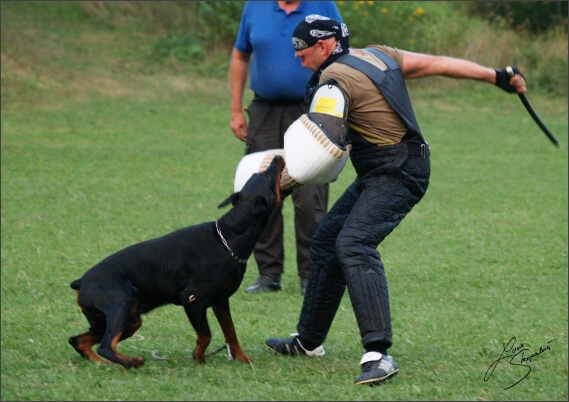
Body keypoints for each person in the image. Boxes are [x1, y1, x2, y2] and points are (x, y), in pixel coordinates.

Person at [264, 15, 527, 385]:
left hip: (397, 171)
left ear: (323, 47)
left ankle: (379, 354)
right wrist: (498, 75)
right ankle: (308, 341)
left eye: (302, 52)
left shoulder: (331, 80)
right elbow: (436, 63)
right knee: (326, 240)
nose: (299, 60)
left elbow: (322, 153)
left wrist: (277, 180)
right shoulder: (378, 55)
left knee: (354, 242)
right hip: (390, 167)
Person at [229, 2, 342, 295]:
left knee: (310, 195)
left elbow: (341, 51)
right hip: (264, 110)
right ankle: (268, 274)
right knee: (260, 189)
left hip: (312, 108)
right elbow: (241, 54)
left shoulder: (322, 4)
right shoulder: (255, 6)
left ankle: (311, 274)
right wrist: (235, 110)